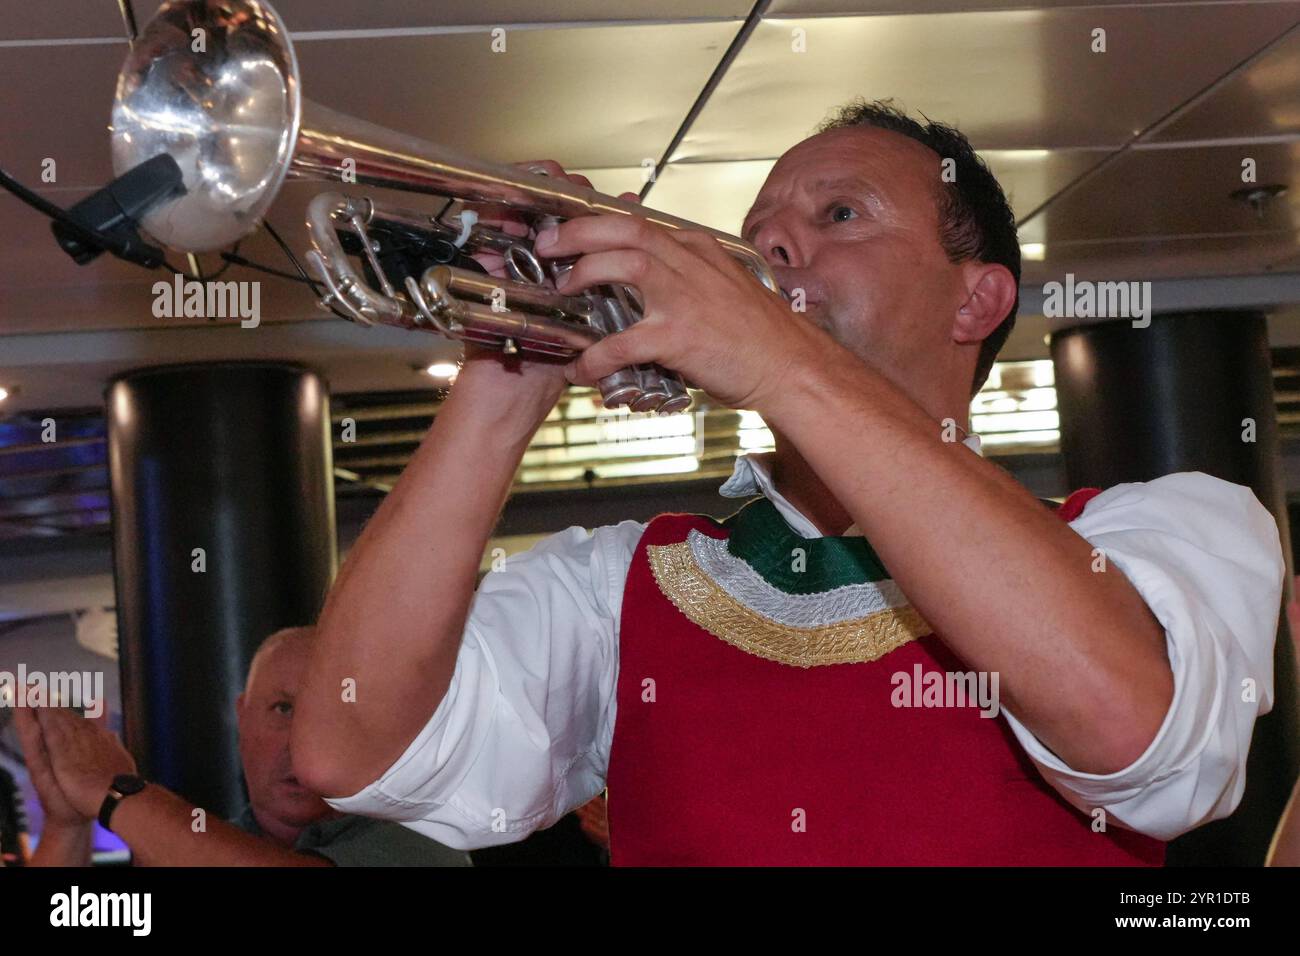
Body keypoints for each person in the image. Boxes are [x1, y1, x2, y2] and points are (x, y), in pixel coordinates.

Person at [291, 99, 1284, 865]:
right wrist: (509, 371)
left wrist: (784, 363)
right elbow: (349, 745)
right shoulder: (623, 584)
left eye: (839, 213)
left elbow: (1130, 731)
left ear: (974, 297)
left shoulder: (1169, 530)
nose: (772, 246)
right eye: (760, 230)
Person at [16, 627, 469, 866]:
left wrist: (114, 792)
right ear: (242, 718)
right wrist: (67, 823)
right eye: (283, 710)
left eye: (329, 711)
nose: (301, 741)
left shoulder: (424, 839)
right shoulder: (195, 848)